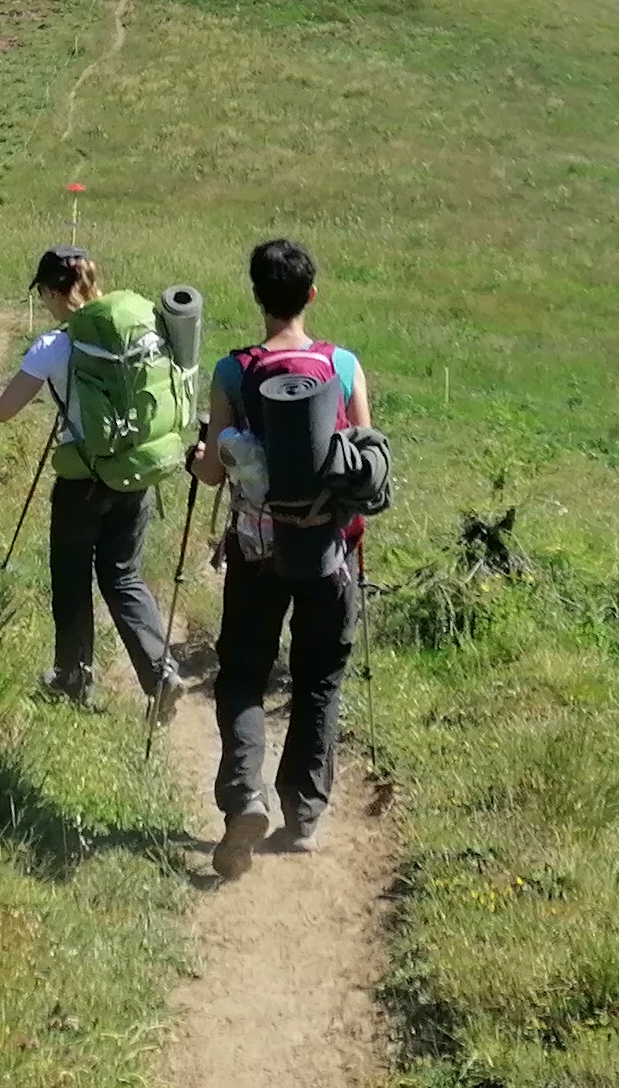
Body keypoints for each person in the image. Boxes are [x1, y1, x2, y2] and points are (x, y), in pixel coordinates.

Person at [0, 247, 186, 716]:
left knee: (72, 579)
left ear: (55, 291)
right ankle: (161, 673)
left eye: (45, 294)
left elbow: (2, 409)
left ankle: (73, 679)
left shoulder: (54, 347)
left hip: (83, 482)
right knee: (123, 575)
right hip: (136, 472)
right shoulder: (139, 330)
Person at [196, 235, 371, 878]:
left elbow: (214, 474)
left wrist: (199, 456)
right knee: (319, 675)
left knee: (243, 673)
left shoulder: (231, 372)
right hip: (329, 551)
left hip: (255, 550)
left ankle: (246, 797)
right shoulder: (343, 366)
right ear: (310, 295)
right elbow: (359, 461)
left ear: (257, 298)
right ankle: (304, 814)